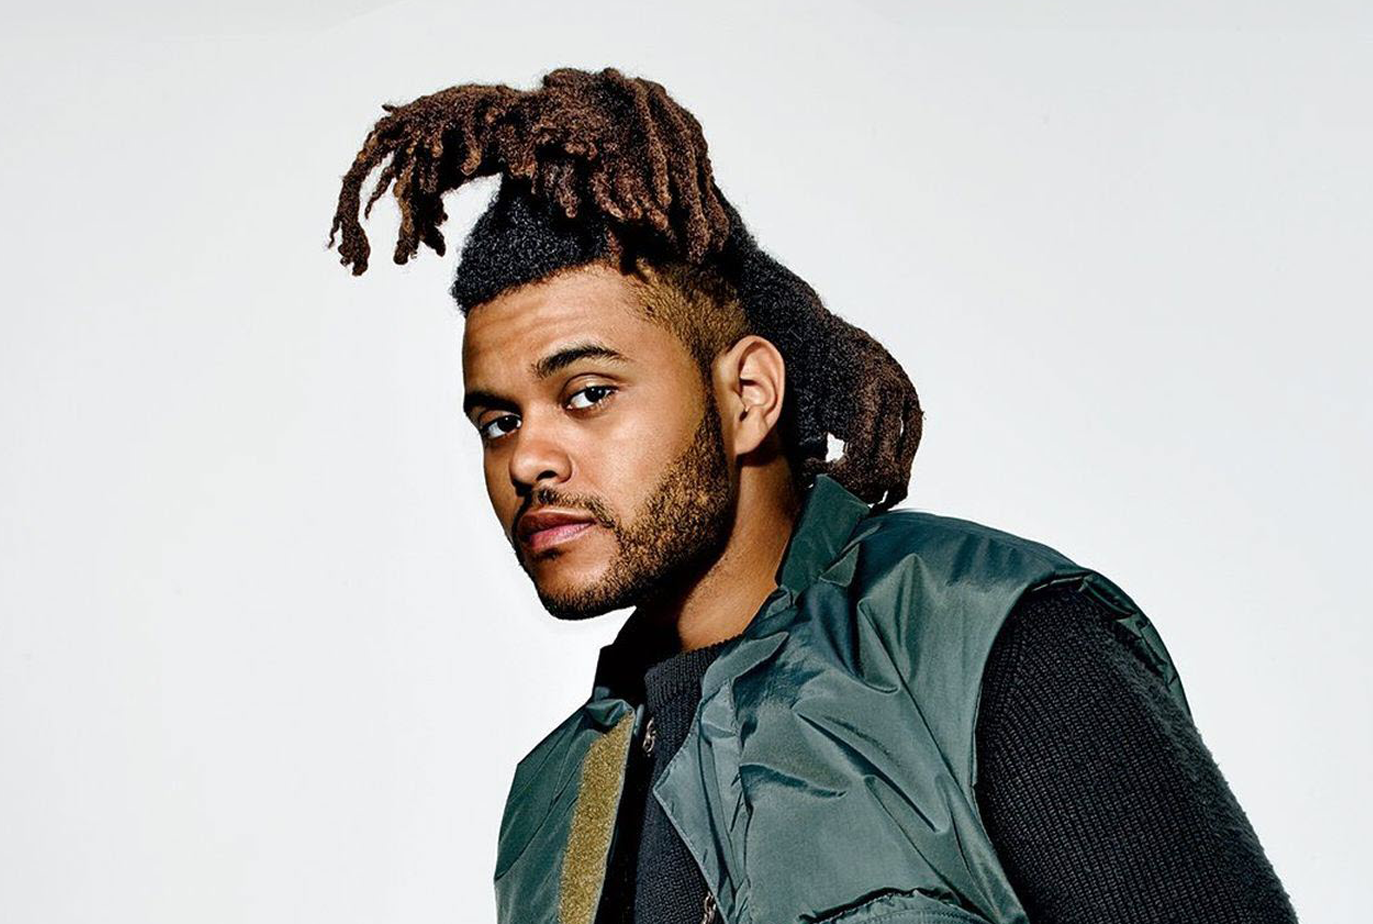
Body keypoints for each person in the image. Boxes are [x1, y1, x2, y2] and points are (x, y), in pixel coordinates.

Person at [324, 67, 1298, 924]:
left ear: (747, 395)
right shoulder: (554, 804)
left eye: (587, 394)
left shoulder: (989, 643)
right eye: (498, 421)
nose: (527, 459)